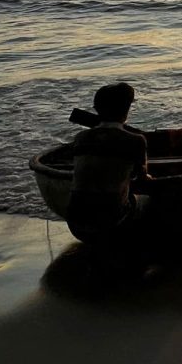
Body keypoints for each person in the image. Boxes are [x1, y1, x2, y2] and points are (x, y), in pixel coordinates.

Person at [65, 82, 150, 244]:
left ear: (97, 110)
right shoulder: (136, 141)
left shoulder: (81, 138)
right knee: (147, 199)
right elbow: (143, 180)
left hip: (75, 223)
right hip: (111, 223)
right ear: (126, 111)